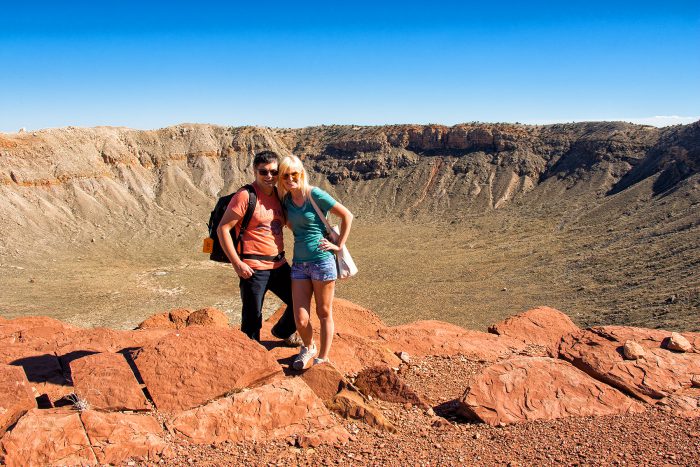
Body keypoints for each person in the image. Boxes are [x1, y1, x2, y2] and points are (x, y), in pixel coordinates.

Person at [277, 155, 354, 369]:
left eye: (294, 174)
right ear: (281, 178)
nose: (290, 178)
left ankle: (322, 357)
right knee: (300, 318)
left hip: (322, 261)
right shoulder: (286, 200)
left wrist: (338, 245)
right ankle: (308, 347)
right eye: (285, 175)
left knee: (323, 312)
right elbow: (289, 224)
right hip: (300, 264)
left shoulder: (315, 194)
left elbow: (347, 215)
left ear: (301, 173)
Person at [217, 151, 301, 345]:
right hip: (253, 268)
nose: (269, 176)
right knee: (252, 316)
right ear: (255, 171)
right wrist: (237, 263)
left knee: (299, 301)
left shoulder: (279, 195)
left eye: (274, 171)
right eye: (263, 172)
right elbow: (223, 228)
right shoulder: (245, 196)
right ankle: (251, 354)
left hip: (278, 265)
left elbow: (290, 221)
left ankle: (282, 331)